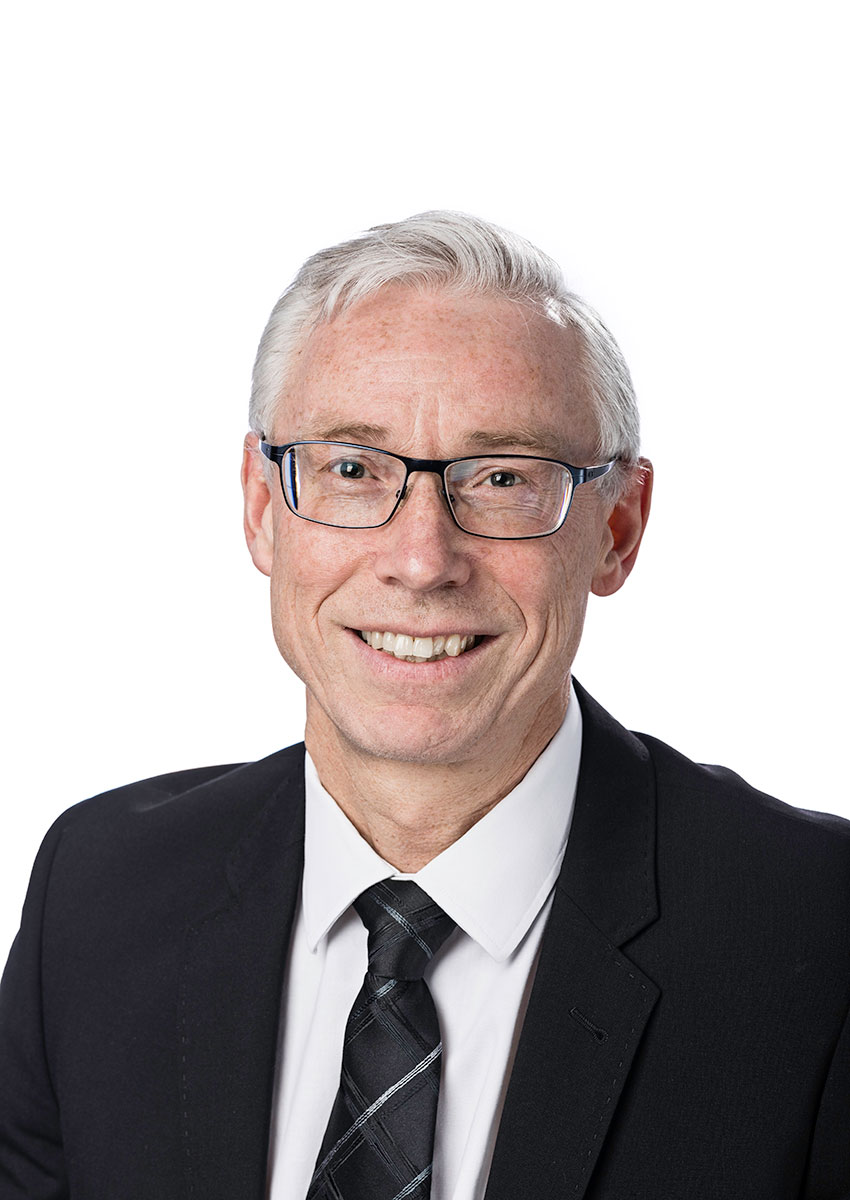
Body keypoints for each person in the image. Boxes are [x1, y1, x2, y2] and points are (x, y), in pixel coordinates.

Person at [1, 212, 848, 1200]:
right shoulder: (99, 893)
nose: (420, 560)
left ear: (618, 527)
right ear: (261, 507)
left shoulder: (818, 933)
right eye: (352, 470)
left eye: (503, 478)